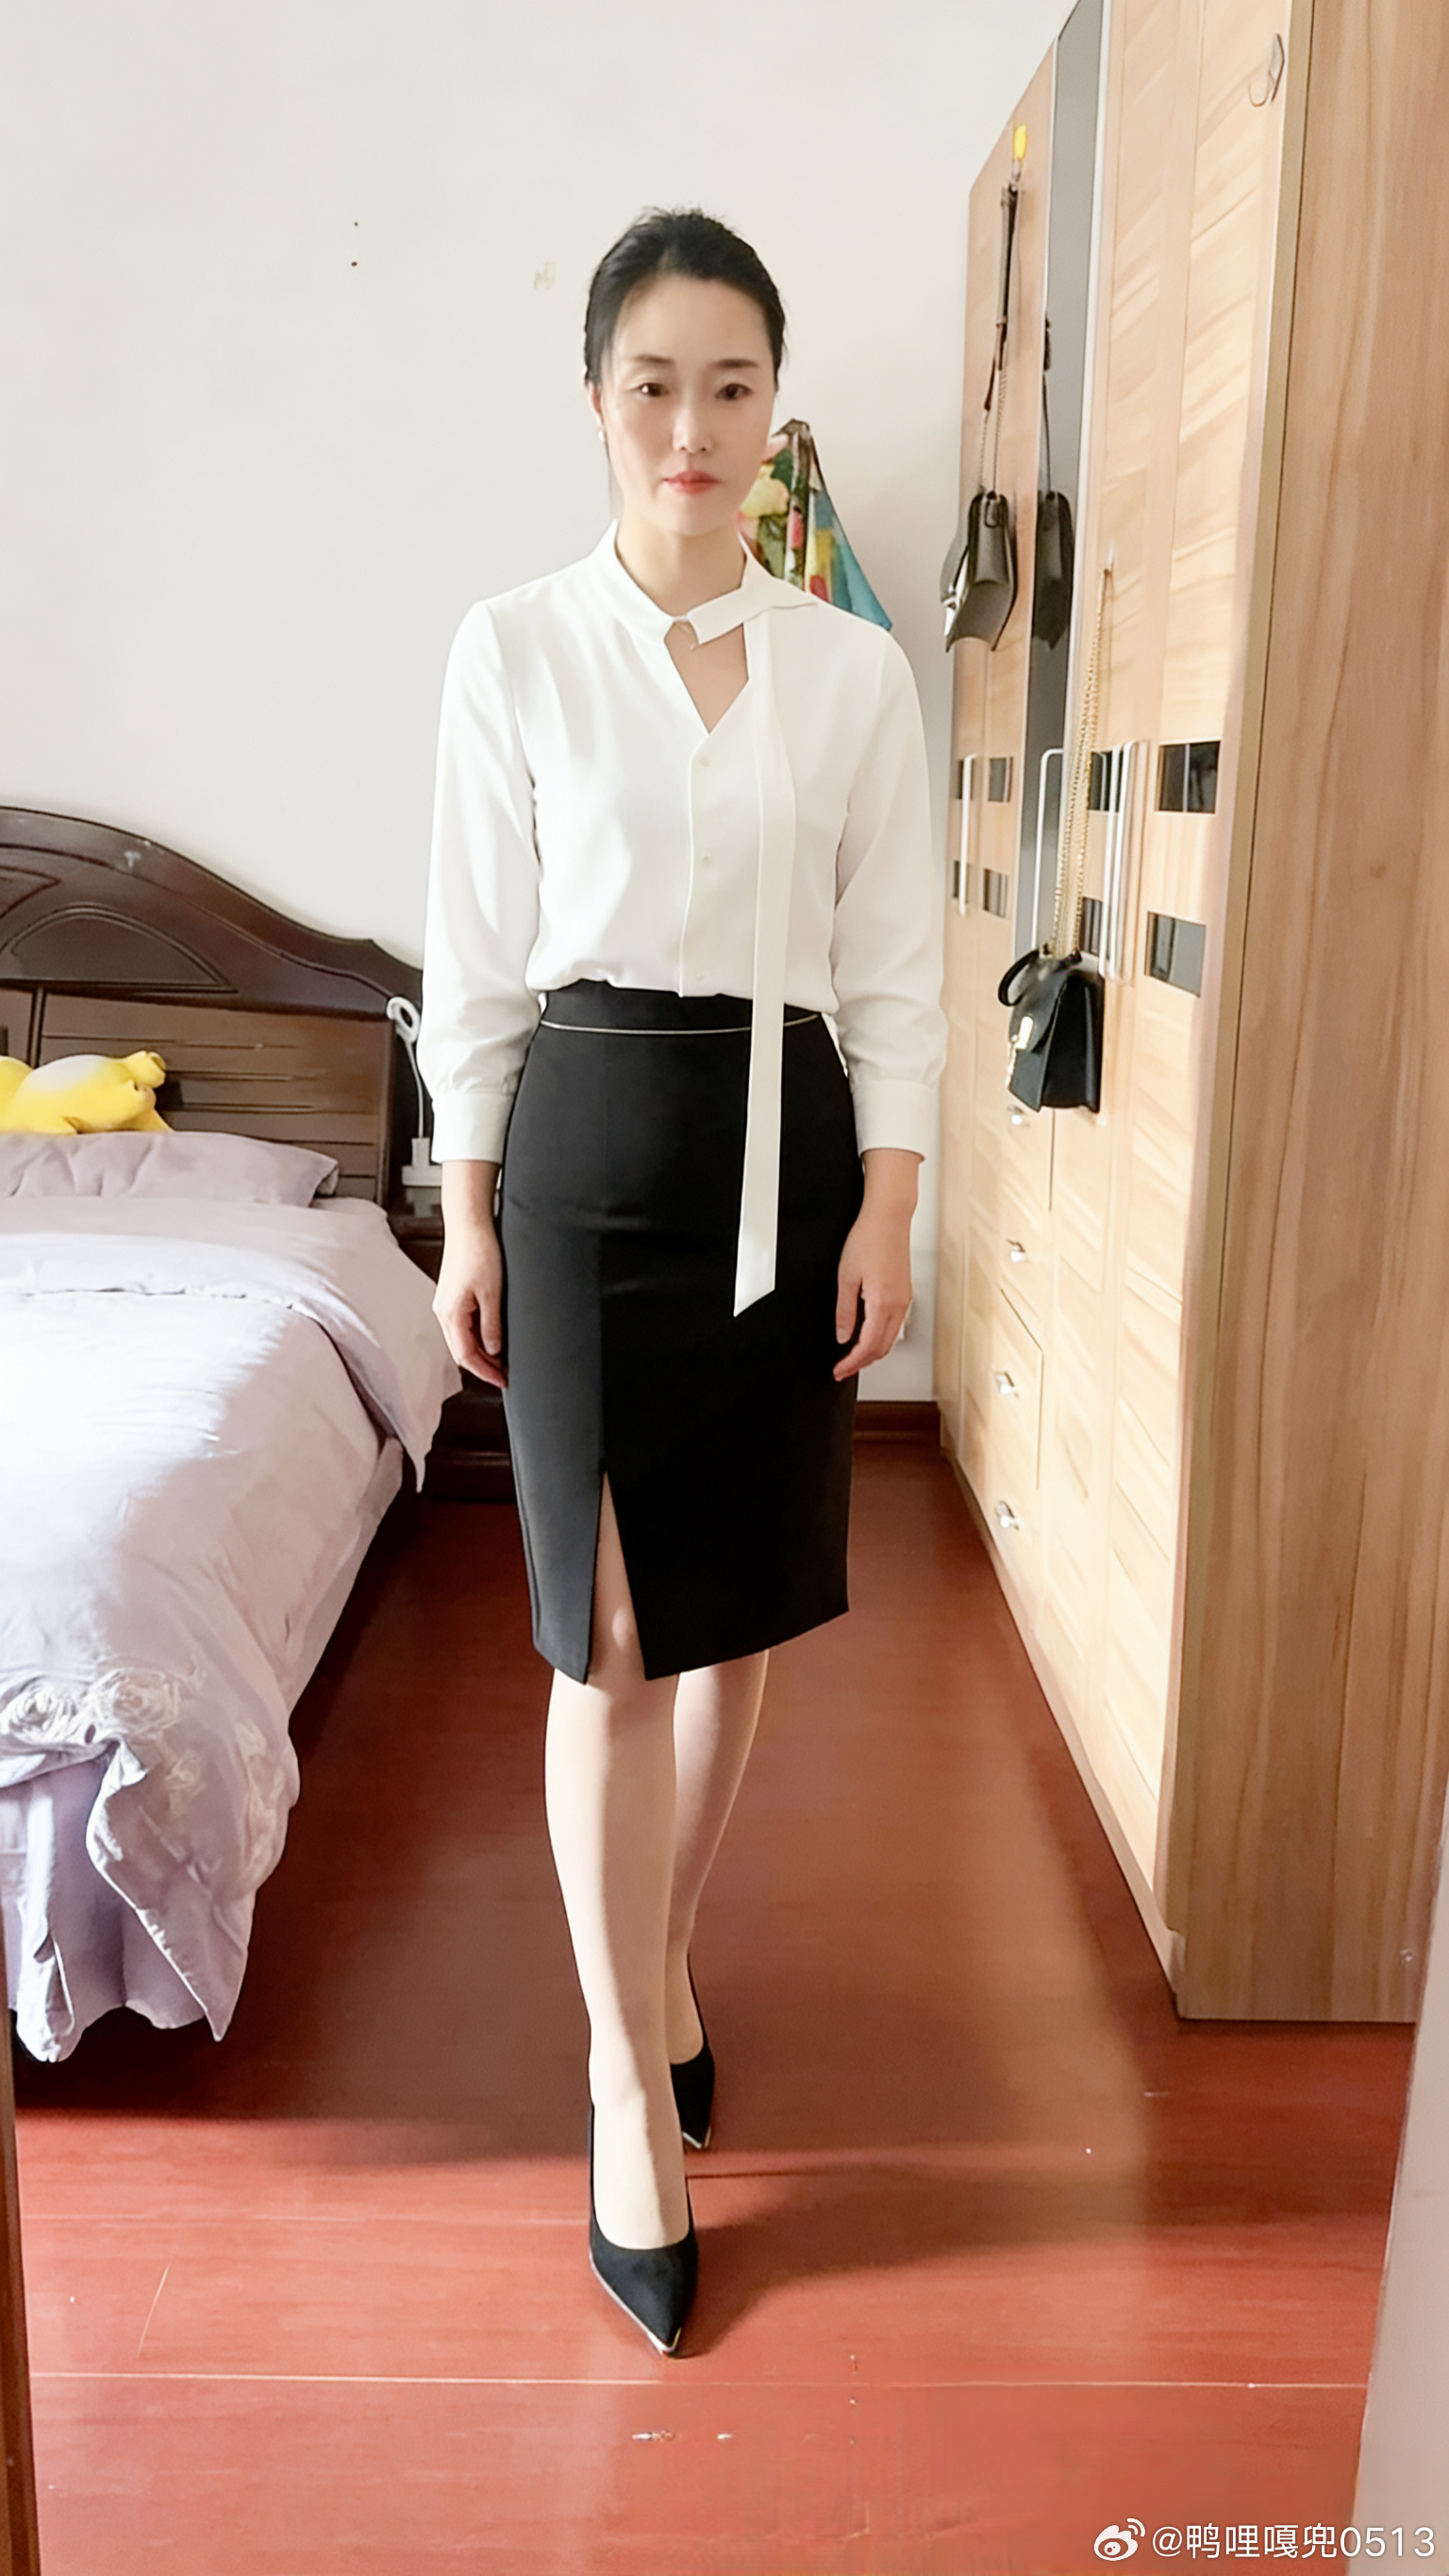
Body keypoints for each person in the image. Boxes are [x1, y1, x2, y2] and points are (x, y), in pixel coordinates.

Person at [420, 206, 945, 2355]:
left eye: (733, 388)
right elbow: (474, 963)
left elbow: (892, 970)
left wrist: (890, 1208)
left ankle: (659, 1955)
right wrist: (465, 1211)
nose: (693, 429)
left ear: (772, 408)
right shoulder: (516, 649)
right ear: (598, 403)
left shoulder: (853, 673)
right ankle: (624, 2084)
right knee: (611, 1636)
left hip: (791, 1162)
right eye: (656, 386)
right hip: (584, 1170)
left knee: (737, 1618)